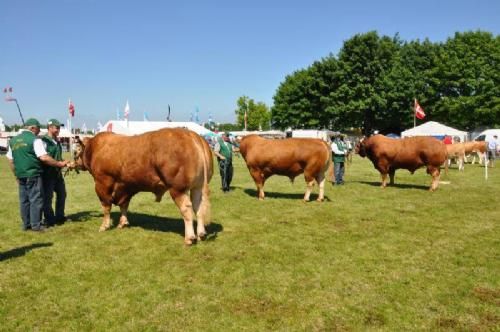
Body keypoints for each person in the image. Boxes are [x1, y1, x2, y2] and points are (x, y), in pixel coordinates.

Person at [6, 118, 68, 232]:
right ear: (33, 128)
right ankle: (37, 225)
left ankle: (27, 224)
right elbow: (43, 157)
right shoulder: (35, 140)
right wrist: (59, 163)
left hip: (21, 175)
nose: (39, 132)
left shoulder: (13, 140)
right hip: (34, 174)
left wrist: (16, 175)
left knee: (24, 201)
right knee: (36, 200)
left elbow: (10, 160)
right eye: (38, 129)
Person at [41, 119, 69, 226]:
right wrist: (59, 164)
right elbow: (43, 158)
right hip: (47, 174)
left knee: (62, 194)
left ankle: (60, 216)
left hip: (57, 174)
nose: (58, 129)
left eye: (59, 127)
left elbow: (57, 157)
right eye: (56, 127)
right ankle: (49, 219)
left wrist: (65, 163)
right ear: (50, 128)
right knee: (48, 198)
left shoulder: (57, 141)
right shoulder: (44, 141)